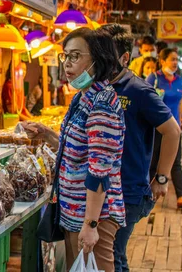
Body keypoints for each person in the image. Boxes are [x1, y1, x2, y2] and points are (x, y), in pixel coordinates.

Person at [99, 25, 180, 272]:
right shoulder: (98, 86)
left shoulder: (139, 90)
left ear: (124, 58)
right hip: (103, 188)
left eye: (105, 54)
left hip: (129, 190)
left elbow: (172, 131)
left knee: (113, 252)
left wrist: (163, 178)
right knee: (110, 252)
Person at [55, 28, 126, 272]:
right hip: (75, 213)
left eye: (75, 56)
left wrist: (91, 224)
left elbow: (99, 170)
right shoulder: (82, 98)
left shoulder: (102, 104)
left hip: (94, 216)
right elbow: (76, 151)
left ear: (98, 59)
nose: (67, 63)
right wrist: (46, 134)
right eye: (64, 56)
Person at [147, 48, 182, 208]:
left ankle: (181, 197)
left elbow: (180, 103)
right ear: (163, 60)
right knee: (153, 159)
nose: (175, 62)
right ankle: (146, 194)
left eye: (176, 59)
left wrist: (180, 121)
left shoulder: (179, 79)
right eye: (172, 59)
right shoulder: (153, 78)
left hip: (174, 129)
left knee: (176, 161)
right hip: (157, 126)